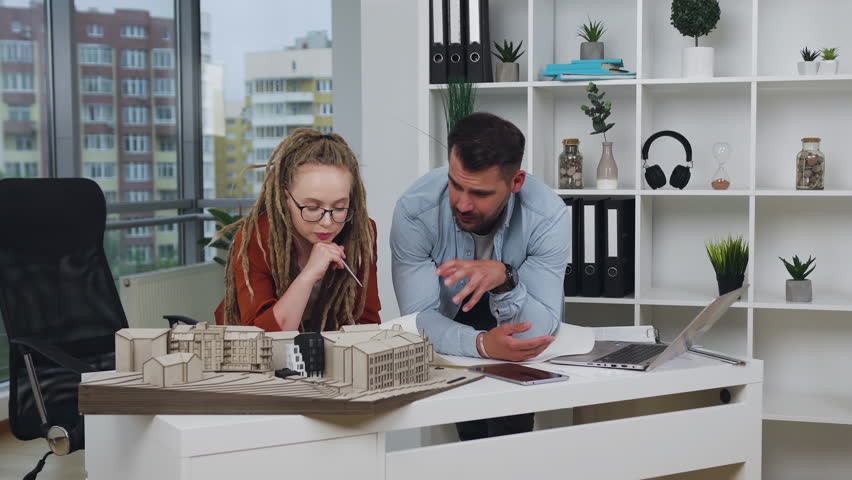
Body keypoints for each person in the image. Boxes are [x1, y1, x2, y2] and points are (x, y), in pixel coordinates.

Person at [390, 112, 570, 440]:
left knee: (510, 431)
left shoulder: (547, 216)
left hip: (516, 309)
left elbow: (539, 329)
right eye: (456, 184)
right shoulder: (415, 213)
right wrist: (482, 343)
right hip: (450, 320)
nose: (463, 203)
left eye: (481, 194)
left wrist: (504, 279)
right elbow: (416, 322)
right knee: (469, 433)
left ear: (516, 182)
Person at [215, 128, 380, 332]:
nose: (327, 222)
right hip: (250, 356)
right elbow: (262, 338)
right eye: (311, 208)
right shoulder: (257, 237)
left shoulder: (361, 231)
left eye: (339, 207)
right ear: (286, 198)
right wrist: (309, 275)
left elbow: (367, 322)